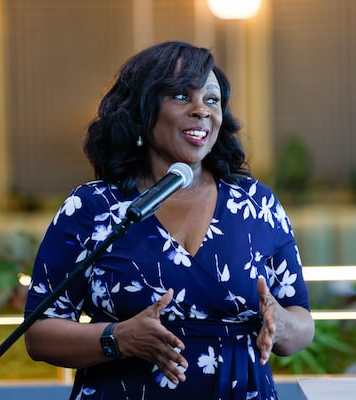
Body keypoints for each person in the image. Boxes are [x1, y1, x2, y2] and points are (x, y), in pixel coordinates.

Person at [24, 40, 314, 400]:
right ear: (142, 111)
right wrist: (119, 338)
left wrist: (282, 324)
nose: (201, 110)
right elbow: (40, 333)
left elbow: (302, 321)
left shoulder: (256, 204)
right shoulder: (93, 207)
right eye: (181, 96)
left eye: (211, 99)